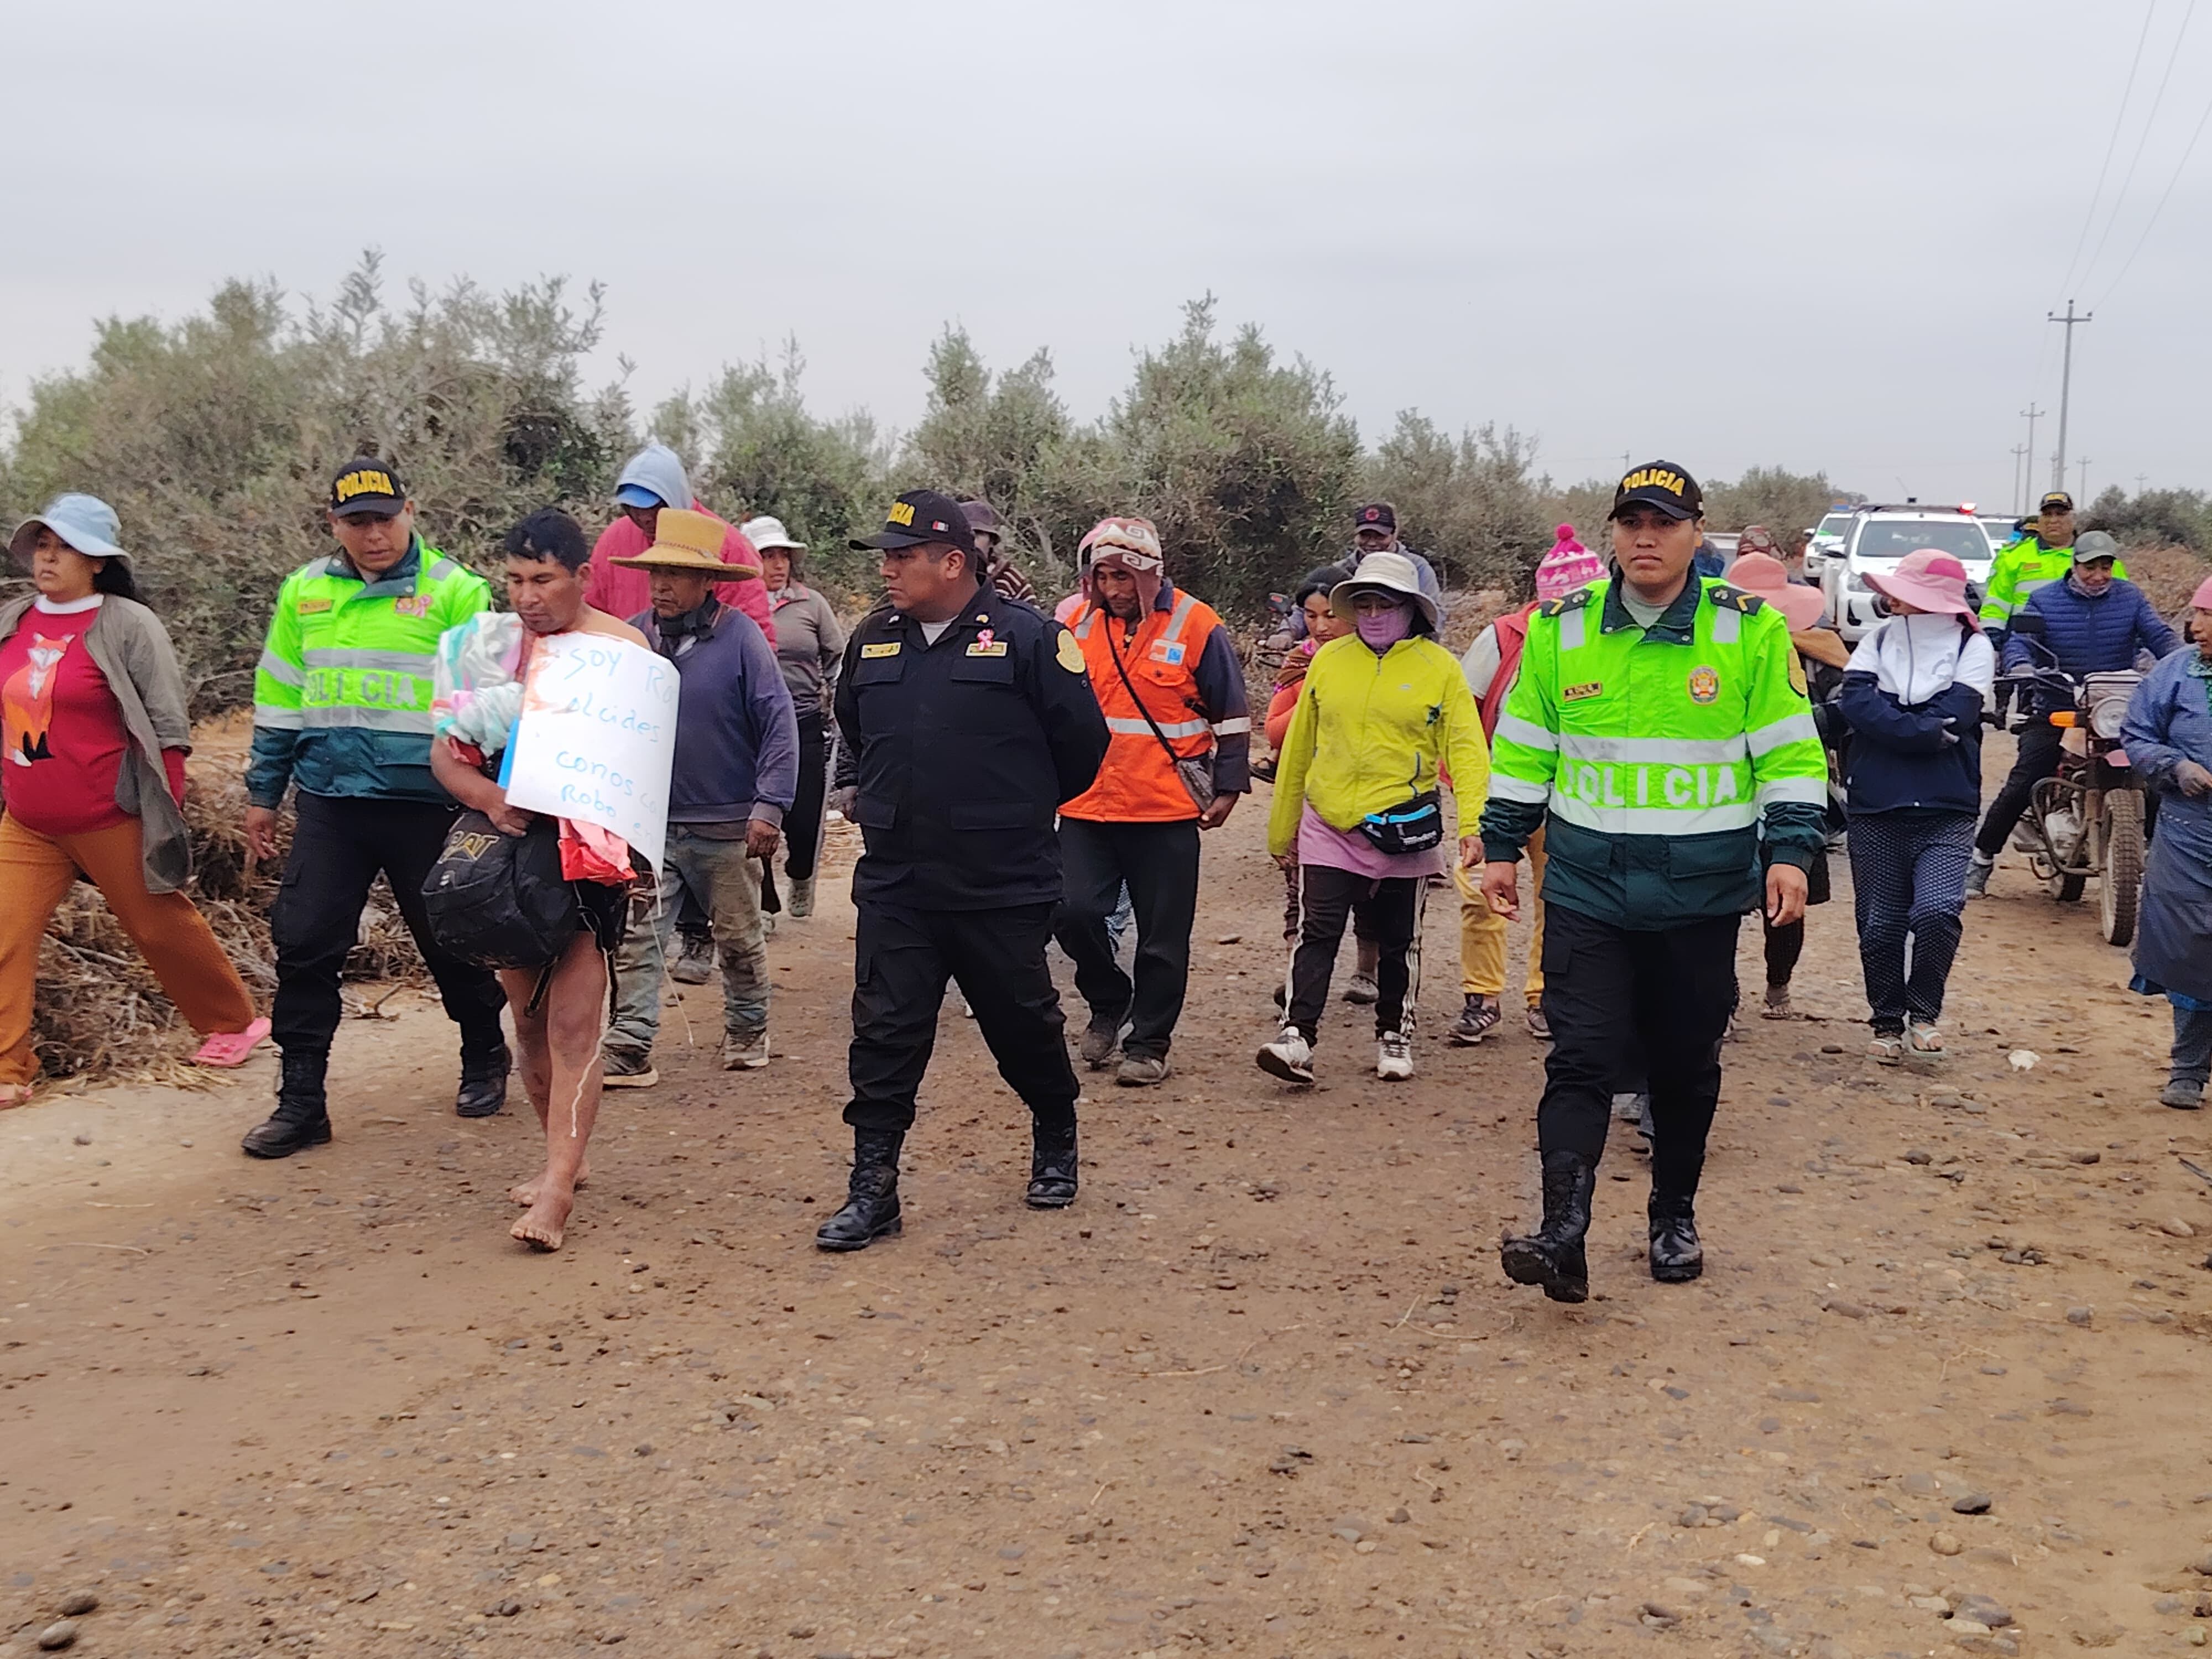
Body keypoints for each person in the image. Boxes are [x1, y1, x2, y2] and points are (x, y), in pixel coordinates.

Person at [1480, 461, 1826, 1302]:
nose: (1646, 536)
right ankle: (1563, 1231)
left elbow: (1788, 752)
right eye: (1631, 520)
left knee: (1683, 1066)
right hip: (1589, 887)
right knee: (1582, 1059)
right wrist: (1498, 842)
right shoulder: (1563, 632)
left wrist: (1790, 850)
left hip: (1701, 893)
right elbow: (1525, 748)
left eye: (1664, 522)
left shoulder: (1748, 631)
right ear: (1611, 533)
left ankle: (1674, 1213)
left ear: (1695, 534)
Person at [816, 491, 1108, 1251]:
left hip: (1001, 882)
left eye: (901, 557)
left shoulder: (1030, 640)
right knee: (884, 1035)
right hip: (899, 883)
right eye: (884, 556)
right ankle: (872, 1189)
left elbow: (1082, 748)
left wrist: (1009, 812)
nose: (887, 570)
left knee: (1024, 1026)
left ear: (954, 562)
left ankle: (1055, 1129)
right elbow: (855, 728)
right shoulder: (872, 640)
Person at [239, 459, 508, 1157]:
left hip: (428, 804)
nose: (373, 534)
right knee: (304, 944)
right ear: (335, 524)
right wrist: (262, 795)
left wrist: (492, 800)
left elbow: (489, 706)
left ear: (410, 512)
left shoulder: (457, 591)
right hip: (332, 802)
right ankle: (302, 1102)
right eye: (356, 522)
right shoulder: (304, 592)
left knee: (452, 942)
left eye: (384, 519)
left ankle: (484, 1050)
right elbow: (279, 700)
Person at [0, 496, 268, 1106]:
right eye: (42, 544)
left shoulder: (126, 623)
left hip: (108, 812)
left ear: (97, 560)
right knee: (4, 932)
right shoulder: (14, 620)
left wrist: (164, 811)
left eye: (63, 546)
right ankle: (8, 1070)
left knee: (158, 925)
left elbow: (168, 724)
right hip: (29, 820)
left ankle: (232, 1023)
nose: (48, 556)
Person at [428, 509, 646, 1250]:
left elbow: (643, 771)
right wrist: (489, 798)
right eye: (515, 579)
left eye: (543, 579)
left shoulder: (622, 652)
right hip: (508, 858)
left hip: (588, 861)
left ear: (583, 576)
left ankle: (557, 1189)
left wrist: (637, 857)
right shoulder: (479, 651)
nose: (525, 595)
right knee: (527, 1021)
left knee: (575, 1025)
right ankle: (564, 1157)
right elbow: (446, 754)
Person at [1260, 552, 1488, 1085]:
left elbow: (1468, 751)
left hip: (1404, 826)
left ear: (1413, 609)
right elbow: (1299, 748)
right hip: (1329, 819)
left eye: (1386, 603)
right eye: (1364, 604)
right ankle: (1297, 1037)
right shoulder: (1329, 660)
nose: (1374, 613)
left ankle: (1395, 1033)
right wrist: (1283, 828)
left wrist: (1476, 826)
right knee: (1317, 931)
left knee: (1398, 938)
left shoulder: (1441, 670)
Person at [597, 510, 799, 1082]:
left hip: (727, 825)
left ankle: (747, 1025)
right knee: (639, 938)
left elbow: (778, 724)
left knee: (737, 936)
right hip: (652, 823)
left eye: (676, 575)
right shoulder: (634, 636)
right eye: (656, 571)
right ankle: (631, 1043)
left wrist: (769, 807)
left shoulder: (742, 641)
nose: (661, 584)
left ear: (707, 582)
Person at [1053, 517, 1249, 1086]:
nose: (1113, 589)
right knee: (1070, 911)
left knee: (1163, 935)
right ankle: (1110, 997)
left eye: (1123, 576)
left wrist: (1229, 785)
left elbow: (1232, 712)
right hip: (1086, 802)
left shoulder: (1196, 623)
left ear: (1150, 574)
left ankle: (1150, 1043)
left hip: (1164, 807)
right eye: (1103, 576)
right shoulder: (1070, 621)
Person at [585, 444, 775, 985]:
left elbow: (757, 627)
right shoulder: (613, 545)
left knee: (710, 850)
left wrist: (727, 685)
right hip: (633, 706)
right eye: (631, 506)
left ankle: (703, 938)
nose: (641, 517)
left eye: (651, 504)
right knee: (653, 853)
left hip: (711, 705)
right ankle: (631, 993)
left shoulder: (725, 544)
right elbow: (594, 607)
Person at [1835, 550, 1995, 1065]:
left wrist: (1887, 724)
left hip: (1947, 809)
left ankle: (1924, 1013)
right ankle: (1886, 1019)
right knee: (1880, 924)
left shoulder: (1975, 646)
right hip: (1876, 805)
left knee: (1937, 911)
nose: (1893, 598)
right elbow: (1855, 703)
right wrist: (1923, 733)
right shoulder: (1878, 640)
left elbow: (1959, 714)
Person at [1451, 526, 1605, 1044]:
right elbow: (1465, 713)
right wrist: (1466, 784)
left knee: (1556, 898)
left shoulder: (1609, 642)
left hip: (1570, 797)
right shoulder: (1502, 638)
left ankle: (1544, 997)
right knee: (1481, 892)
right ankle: (1481, 996)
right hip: (1499, 791)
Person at [1967, 530, 2177, 896]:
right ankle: (1981, 860)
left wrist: (2181, 660)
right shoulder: (2044, 600)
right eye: (2090, 567)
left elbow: (2159, 635)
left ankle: (2164, 868)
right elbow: (2022, 642)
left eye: (2105, 566)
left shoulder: (2130, 598)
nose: (2098, 575)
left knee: (2157, 777)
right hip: (2058, 702)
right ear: (2075, 565)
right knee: (2026, 778)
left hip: (2114, 706)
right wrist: (2021, 666)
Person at [1725, 551, 1840, 1019]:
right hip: (1727, 793)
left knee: (1790, 900)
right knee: (1719, 906)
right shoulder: (1719, 649)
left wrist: (1810, 724)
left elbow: (1843, 704)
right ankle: (1723, 999)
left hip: (1792, 786)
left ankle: (1779, 984)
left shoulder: (1823, 651)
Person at [2125, 576, 2212, 1108]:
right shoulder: (2176, 672)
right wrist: (2176, 766)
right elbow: (2137, 735)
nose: (2195, 626)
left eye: (2207, 616)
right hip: (2188, 831)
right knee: (2190, 945)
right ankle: (2188, 1069)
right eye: (2196, 614)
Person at [745, 515, 844, 920]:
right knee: (756, 816)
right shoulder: (735, 608)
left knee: (804, 820)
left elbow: (836, 657)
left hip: (803, 720)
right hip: (751, 725)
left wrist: (840, 702)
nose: (778, 563)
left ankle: (801, 874)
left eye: (783, 555)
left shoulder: (811, 603)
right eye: (767, 555)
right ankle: (765, 901)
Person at [1977, 490, 2126, 642]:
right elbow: (1996, 602)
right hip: (2027, 642)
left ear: (2074, 519)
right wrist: (1992, 635)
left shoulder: (2099, 556)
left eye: (2061, 514)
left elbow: (2124, 601)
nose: (2053, 520)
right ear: (2040, 520)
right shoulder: (2013, 556)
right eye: (2047, 514)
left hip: (2087, 640)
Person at [960, 499, 1038, 605]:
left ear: (992, 541)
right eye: (964, 534)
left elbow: (1033, 618)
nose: (970, 540)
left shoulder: (1011, 579)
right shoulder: (945, 576)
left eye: (977, 535)